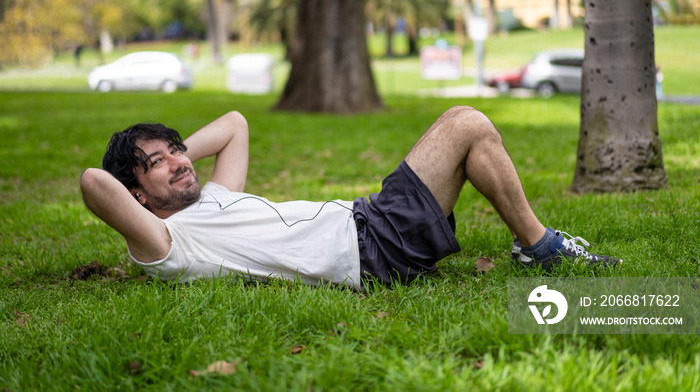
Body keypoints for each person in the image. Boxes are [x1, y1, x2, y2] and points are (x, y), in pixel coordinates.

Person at [80, 107, 621, 289]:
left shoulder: (215, 198)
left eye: (179, 151)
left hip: (368, 219)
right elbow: (92, 182)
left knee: (468, 131)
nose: (179, 161)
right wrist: (147, 185)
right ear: (137, 198)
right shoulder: (171, 242)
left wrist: (171, 162)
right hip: (369, 246)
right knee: (466, 124)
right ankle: (540, 246)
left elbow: (235, 125)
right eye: (158, 164)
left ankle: (533, 244)